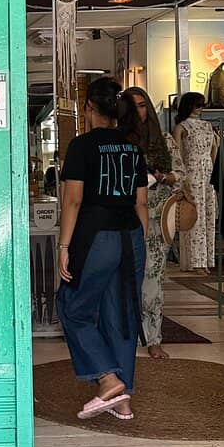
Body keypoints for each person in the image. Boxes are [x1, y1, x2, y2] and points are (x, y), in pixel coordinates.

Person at [55, 77, 149, 421]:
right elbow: (142, 202)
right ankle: (122, 400)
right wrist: (142, 244)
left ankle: (108, 379)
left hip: (95, 236)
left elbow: (73, 200)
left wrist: (64, 245)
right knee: (121, 315)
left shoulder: (81, 146)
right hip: (130, 237)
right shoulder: (132, 149)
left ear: (89, 108)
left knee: (72, 307)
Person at [118, 88, 184, 360]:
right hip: (125, 216)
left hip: (157, 219)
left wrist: (162, 176)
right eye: (134, 107)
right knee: (123, 279)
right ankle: (127, 336)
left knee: (153, 280)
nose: (140, 112)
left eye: (144, 106)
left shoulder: (164, 140)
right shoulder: (119, 142)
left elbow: (181, 176)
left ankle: (153, 337)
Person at [173, 92, 218, 274]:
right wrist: (180, 177)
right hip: (191, 171)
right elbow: (176, 154)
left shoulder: (208, 126)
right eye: (197, 105)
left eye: (202, 105)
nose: (200, 109)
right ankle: (195, 261)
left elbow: (215, 148)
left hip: (206, 171)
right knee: (194, 214)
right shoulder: (182, 127)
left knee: (208, 214)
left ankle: (206, 259)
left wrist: (212, 166)